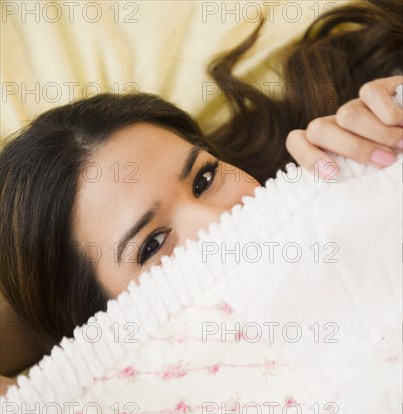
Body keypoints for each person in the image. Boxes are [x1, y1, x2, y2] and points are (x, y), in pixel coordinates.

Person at [0, 0, 402, 393]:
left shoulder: (334, 176)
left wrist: (388, 123)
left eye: (204, 178)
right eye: (152, 244)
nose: (214, 222)